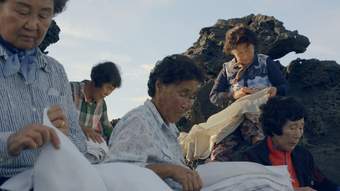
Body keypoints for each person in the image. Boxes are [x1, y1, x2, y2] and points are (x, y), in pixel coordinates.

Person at [0, 0, 86, 185]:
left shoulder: (55, 71)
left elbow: (80, 143)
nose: (32, 25)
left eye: (43, 15)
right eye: (22, 12)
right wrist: (8, 144)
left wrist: (64, 138)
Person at [107, 54, 204, 191]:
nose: (188, 104)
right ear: (159, 86)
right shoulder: (139, 122)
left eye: (192, 97)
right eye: (183, 94)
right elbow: (116, 173)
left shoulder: (170, 127)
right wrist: (170, 170)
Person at [208, 25, 289, 161]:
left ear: (253, 46)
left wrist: (276, 90)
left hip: (260, 115)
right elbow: (214, 96)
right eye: (239, 53)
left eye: (248, 50)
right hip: (234, 118)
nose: (245, 55)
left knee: (259, 144)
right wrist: (234, 95)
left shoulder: (265, 62)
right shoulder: (227, 70)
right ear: (232, 52)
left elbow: (284, 86)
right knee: (218, 151)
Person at [243, 96, 340, 191]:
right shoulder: (252, 159)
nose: (298, 134)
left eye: (301, 127)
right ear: (273, 128)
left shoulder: (303, 155)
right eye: (292, 128)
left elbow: (322, 182)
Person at [70, 61, 121, 143]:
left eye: (111, 90)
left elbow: (107, 129)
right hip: (66, 145)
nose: (108, 93)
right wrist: (82, 129)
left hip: (90, 149)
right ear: (98, 80)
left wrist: (122, 139)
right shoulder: (70, 90)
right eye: (108, 88)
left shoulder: (102, 104)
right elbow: (57, 119)